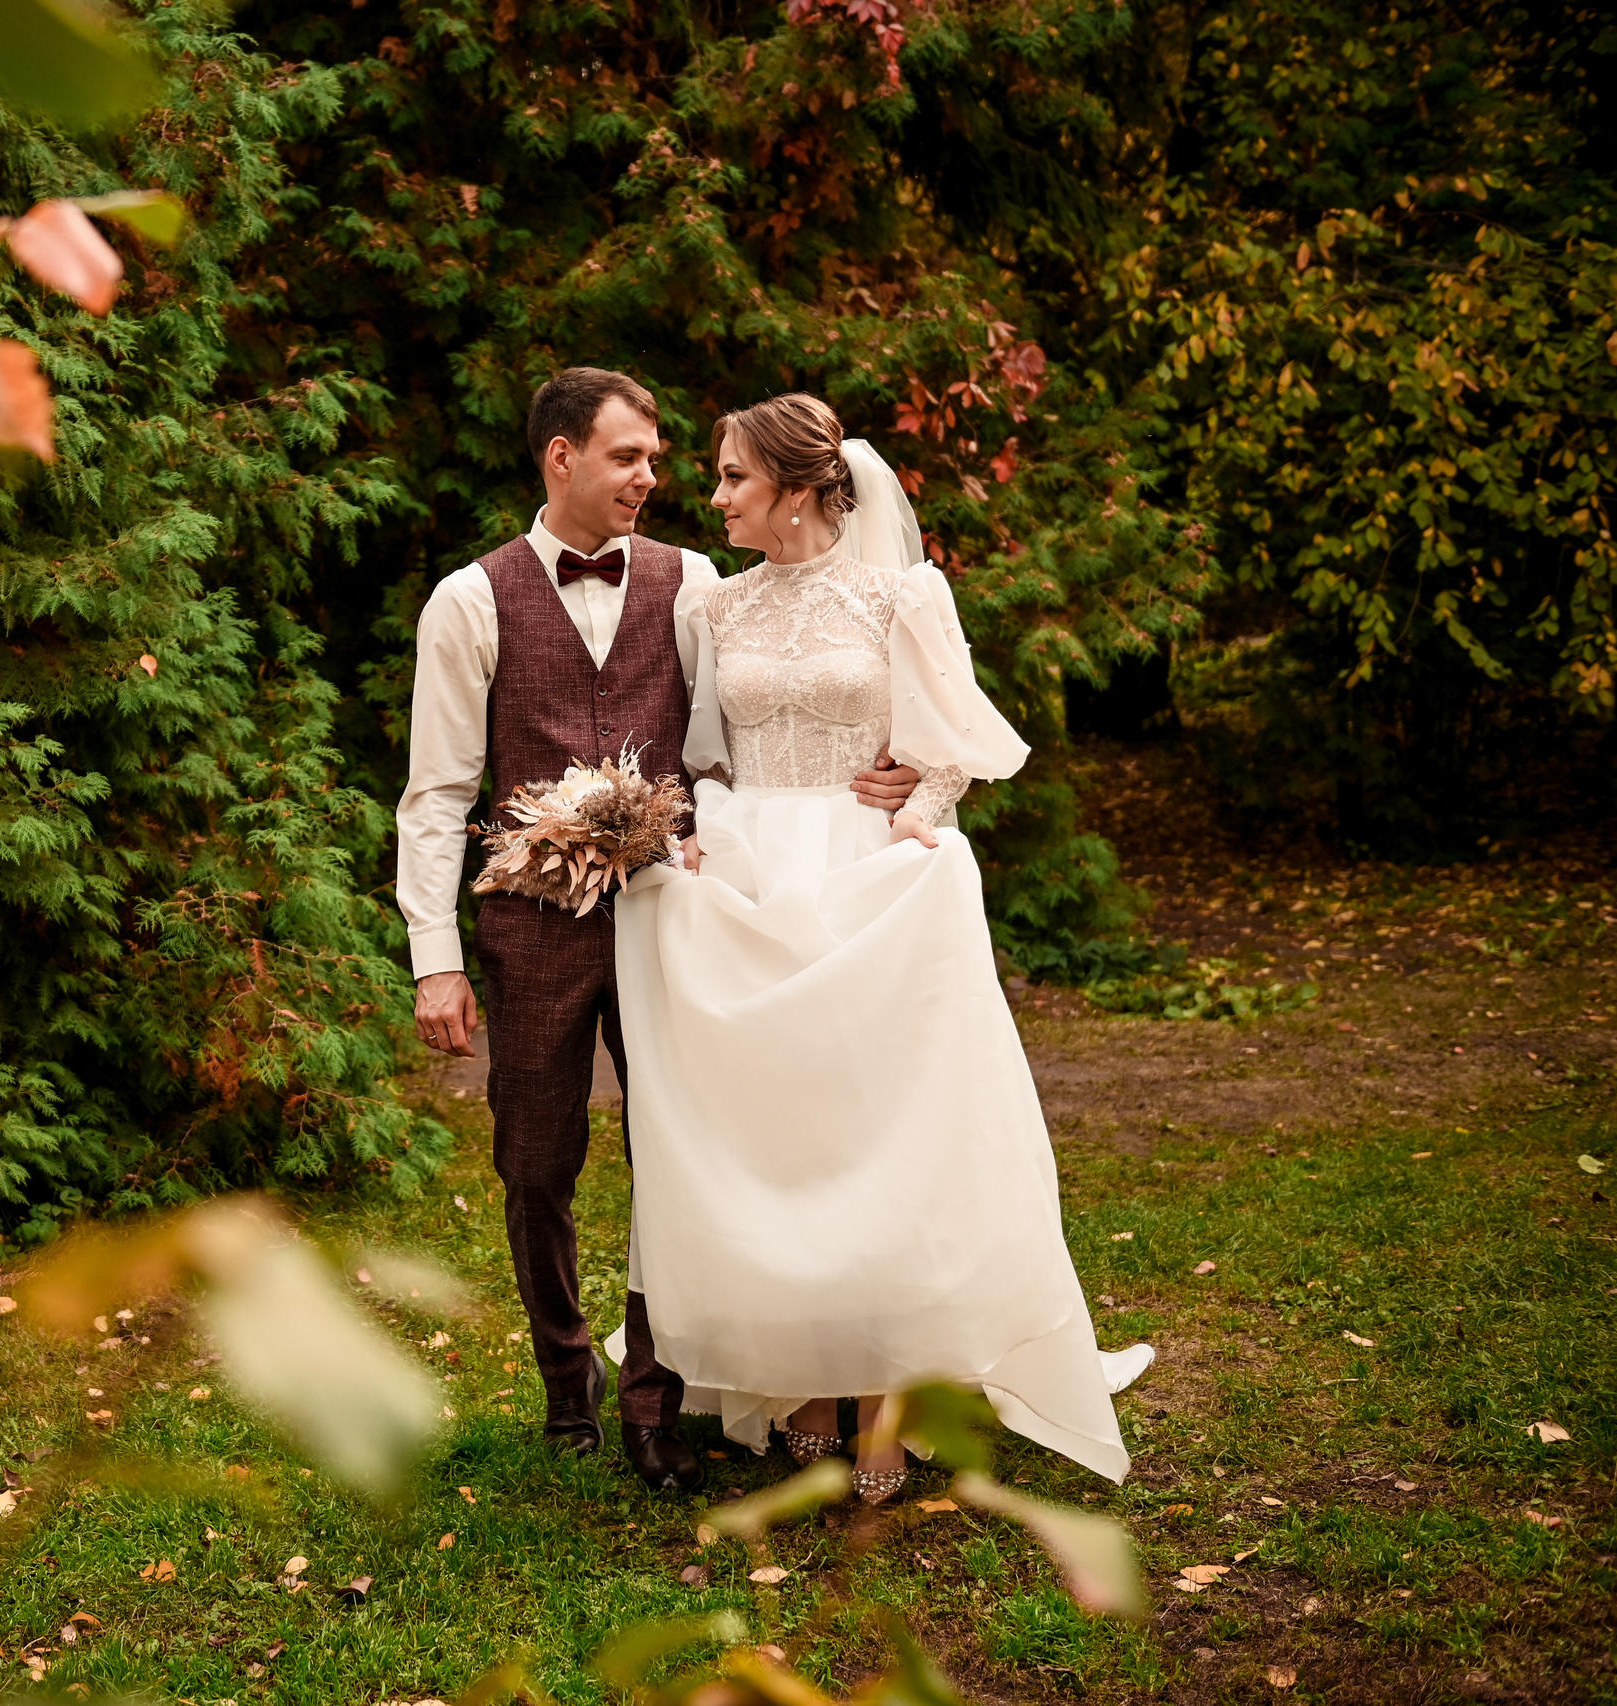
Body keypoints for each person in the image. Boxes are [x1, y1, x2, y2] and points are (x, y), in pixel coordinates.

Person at [609, 393, 1145, 1503]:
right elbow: (704, 751)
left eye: (732, 479)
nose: (712, 497)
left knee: (887, 1130)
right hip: (755, 873)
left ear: (800, 488)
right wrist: (696, 834)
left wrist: (917, 807)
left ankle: (892, 1385)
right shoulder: (714, 607)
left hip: (870, 871)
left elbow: (952, 744)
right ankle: (803, 1373)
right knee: (785, 1134)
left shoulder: (904, 590)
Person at [396, 369, 926, 1492]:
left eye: (657, 457)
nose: (653, 477)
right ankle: (564, 1378)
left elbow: (754, 716)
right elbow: (437, 794)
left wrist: (897, 766)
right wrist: (434, 956)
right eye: (630, 456)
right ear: (561, 458)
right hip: (529, 926)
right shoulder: (470, 599)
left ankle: (657, 1396)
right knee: (535, 1162)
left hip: (671, 916)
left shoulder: (694, 585)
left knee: (681, 1154)